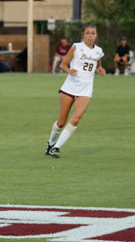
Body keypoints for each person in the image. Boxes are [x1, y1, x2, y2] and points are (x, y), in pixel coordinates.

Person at [45, 24, 105, 158]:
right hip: (69, 88)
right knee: (61, 122)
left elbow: (98, 66)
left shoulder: (98, 51)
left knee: (76, 118)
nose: (90, 36)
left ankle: (56, 147)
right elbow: (63, 64)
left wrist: (100, 70)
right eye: (88, 33)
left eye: (93, 33)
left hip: (85, 90)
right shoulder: (76, 47)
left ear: (96, 35)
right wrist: (69, 71)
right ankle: (50, 143)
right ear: (83, 35)